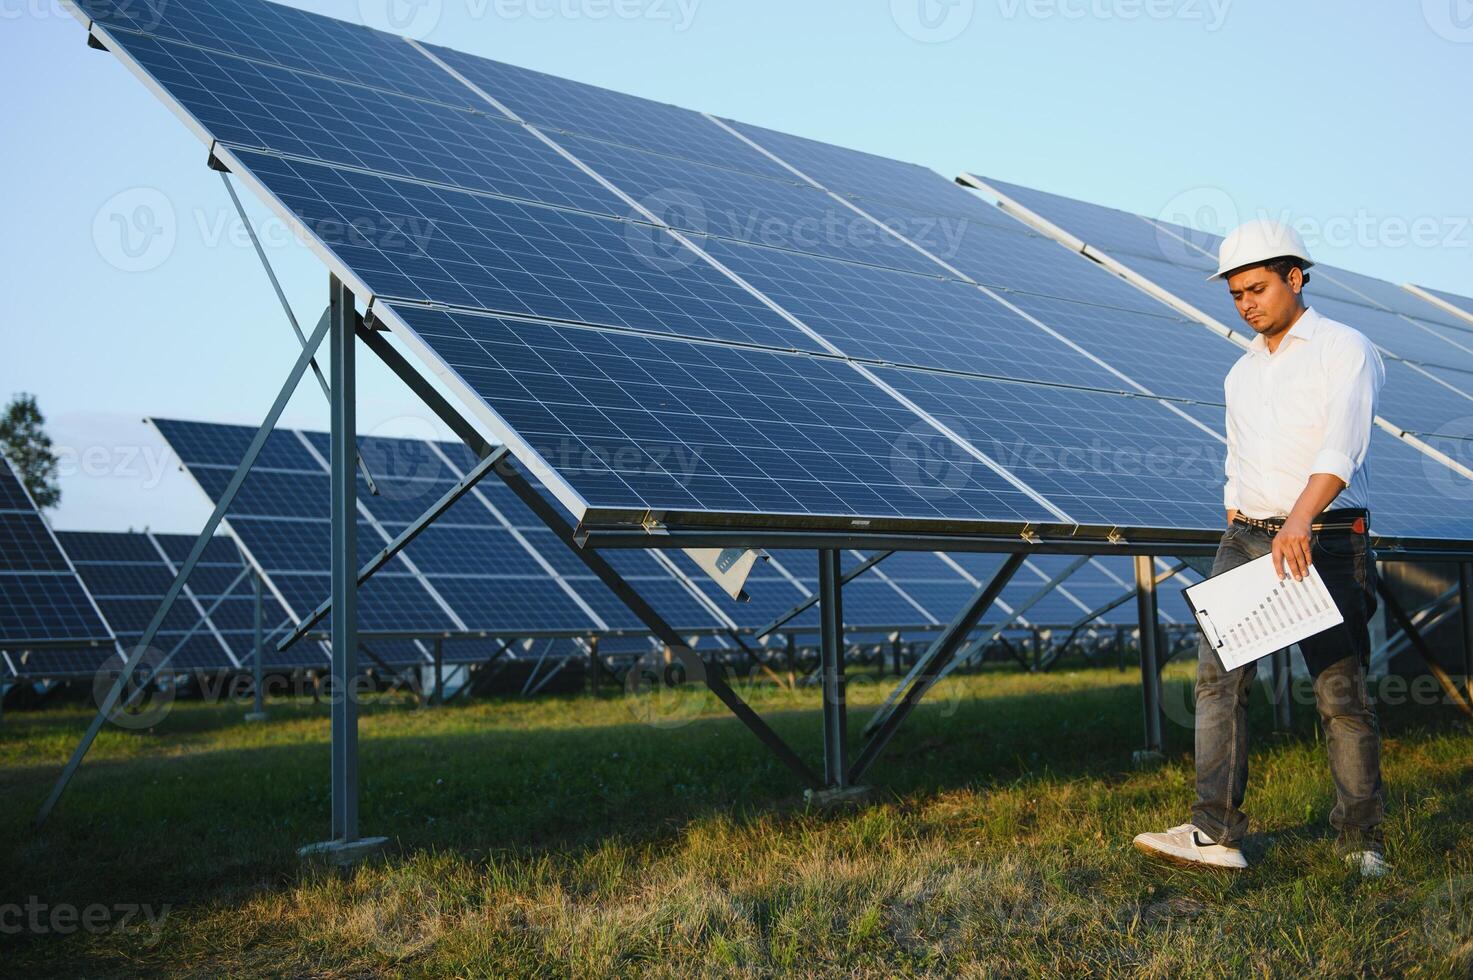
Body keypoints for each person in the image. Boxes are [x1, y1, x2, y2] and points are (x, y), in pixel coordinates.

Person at [1132, 218, 1390, 877]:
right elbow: (1236, 455)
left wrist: (1299, 519)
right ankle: (1213, 830)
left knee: (1337, 689)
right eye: (1235, 293)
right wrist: (1236, 515)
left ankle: (1361, 840)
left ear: (1294, 278)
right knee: (1217, 679)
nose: (1245, 303)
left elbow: (1342, 445)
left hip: (1324, 539)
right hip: (1247, 536)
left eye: (1256, 288)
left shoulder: (1343, 348)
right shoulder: (1240, 373)